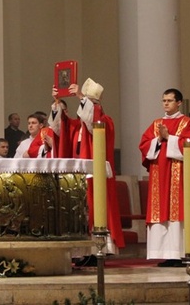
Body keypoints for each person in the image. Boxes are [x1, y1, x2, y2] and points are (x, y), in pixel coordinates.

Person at [49, 78, 125, 253]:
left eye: (89, 104)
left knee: (94, 208)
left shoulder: (105, 121)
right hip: (77, 176)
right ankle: (81, 252)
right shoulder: (76, 126)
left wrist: (80, 96)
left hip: (95, 176)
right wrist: (57, 104)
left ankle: (99, 250)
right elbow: (59, 128)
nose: (84, 107)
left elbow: (93, 121)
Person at [139, 88, 190, 267]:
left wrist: (168, 137)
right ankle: (167, 254)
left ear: (178, 103)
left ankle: (184, 252)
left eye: (170, 100)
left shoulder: (188, 123)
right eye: (164, 100)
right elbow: (145, 145)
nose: (166, 104)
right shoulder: (156, 123)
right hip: (160, 174)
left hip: (179, 175)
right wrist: (159, 140)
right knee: (161, 211)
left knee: (180, 211)